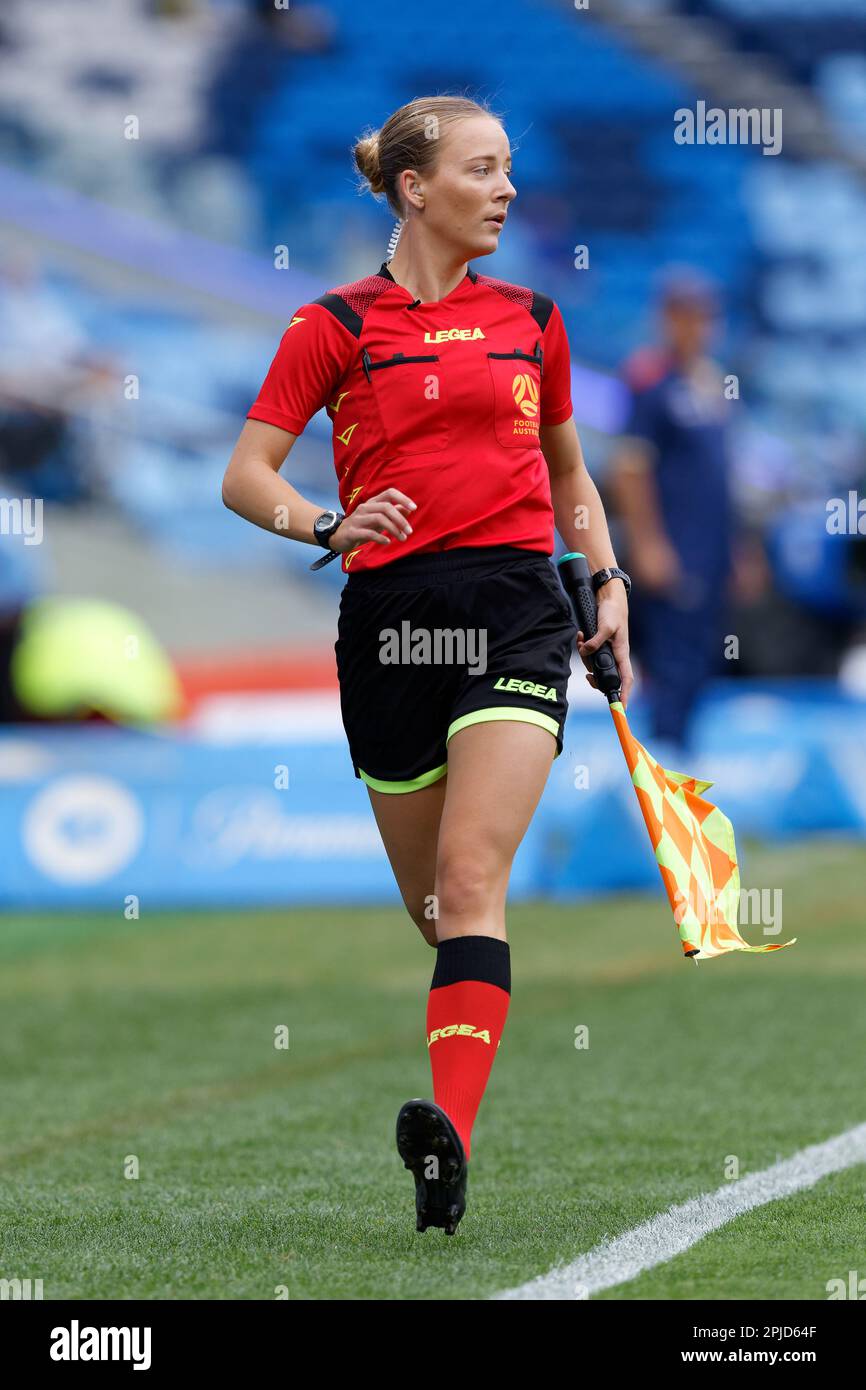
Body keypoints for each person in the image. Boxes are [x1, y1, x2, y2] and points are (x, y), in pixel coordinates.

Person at [222, 95, 632, 1235]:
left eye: (509, 169)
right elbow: (246, 471)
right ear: (414, 186)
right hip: (392, 623)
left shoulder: (536, 318)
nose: (505, 189)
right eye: (483, 168)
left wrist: (607, 584)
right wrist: (319, 524)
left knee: (471, 878)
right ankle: (459, 1077)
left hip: (512, 611)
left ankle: (446, 1141)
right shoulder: (332, 325)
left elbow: (570, 480)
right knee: (441, 912)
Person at [609, 269, 733, 753]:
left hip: (710, 548)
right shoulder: (649, 380)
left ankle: (683, 764)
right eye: (686, 315)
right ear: (667, 318)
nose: (697, 326)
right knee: (671, 660)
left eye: (704, 316)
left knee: (703, 658)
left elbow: (723, 474)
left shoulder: (713, 382)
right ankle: (660, 772)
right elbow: (630, 469)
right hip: (674, 546)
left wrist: (737, 549)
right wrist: (649, 545)